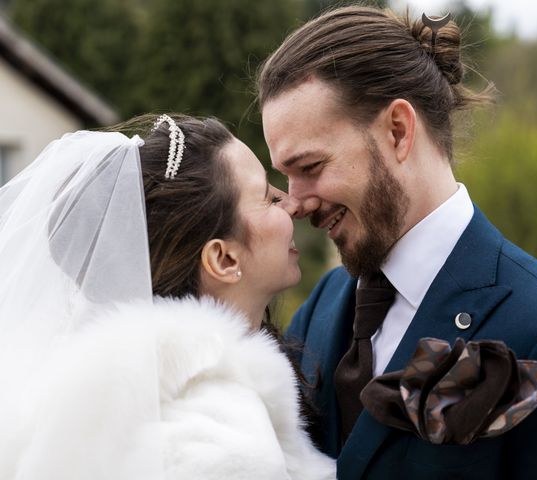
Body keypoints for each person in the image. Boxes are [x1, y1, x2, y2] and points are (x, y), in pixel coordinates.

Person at [257, 6, 537, 479]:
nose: (296, 203)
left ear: (398, 130)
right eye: (285, 177)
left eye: (310, 168)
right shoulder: (323, 306)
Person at [0, 115, 336, 479]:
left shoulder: (86, 407)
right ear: (223, 259)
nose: (292, 204)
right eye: (268, 197)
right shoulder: (222, 442)